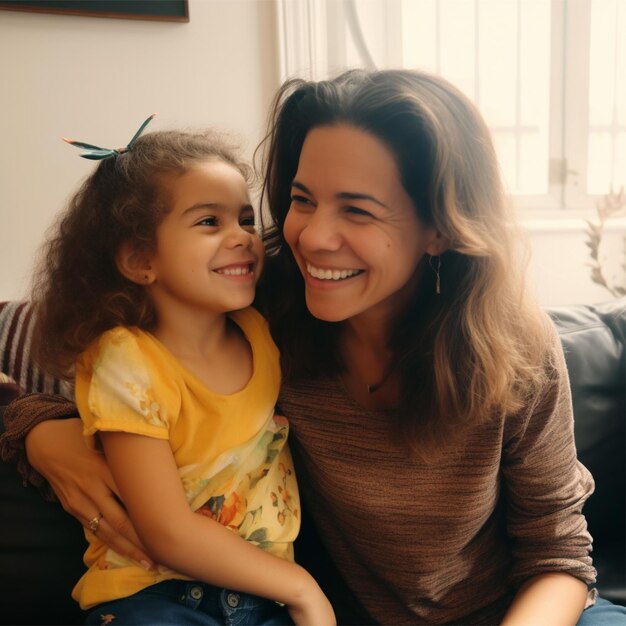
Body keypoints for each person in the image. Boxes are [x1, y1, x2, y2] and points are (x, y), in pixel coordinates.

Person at [3, 70, 626, 625]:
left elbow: (559, 552)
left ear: (439, 228)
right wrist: (33, 425)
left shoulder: (515, 343)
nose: (312, 236)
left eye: (357, 211)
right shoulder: (262, 299)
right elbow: (81, 331)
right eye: (302, 200)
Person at [9, 116, 334, 626]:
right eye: (210, 222)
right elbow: (166, 531)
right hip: (153, 597)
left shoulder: (262, 331)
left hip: (257, 598)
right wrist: (304, 591)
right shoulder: (126, 361)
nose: (243, 238)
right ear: (141, 259)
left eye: (245, 219)